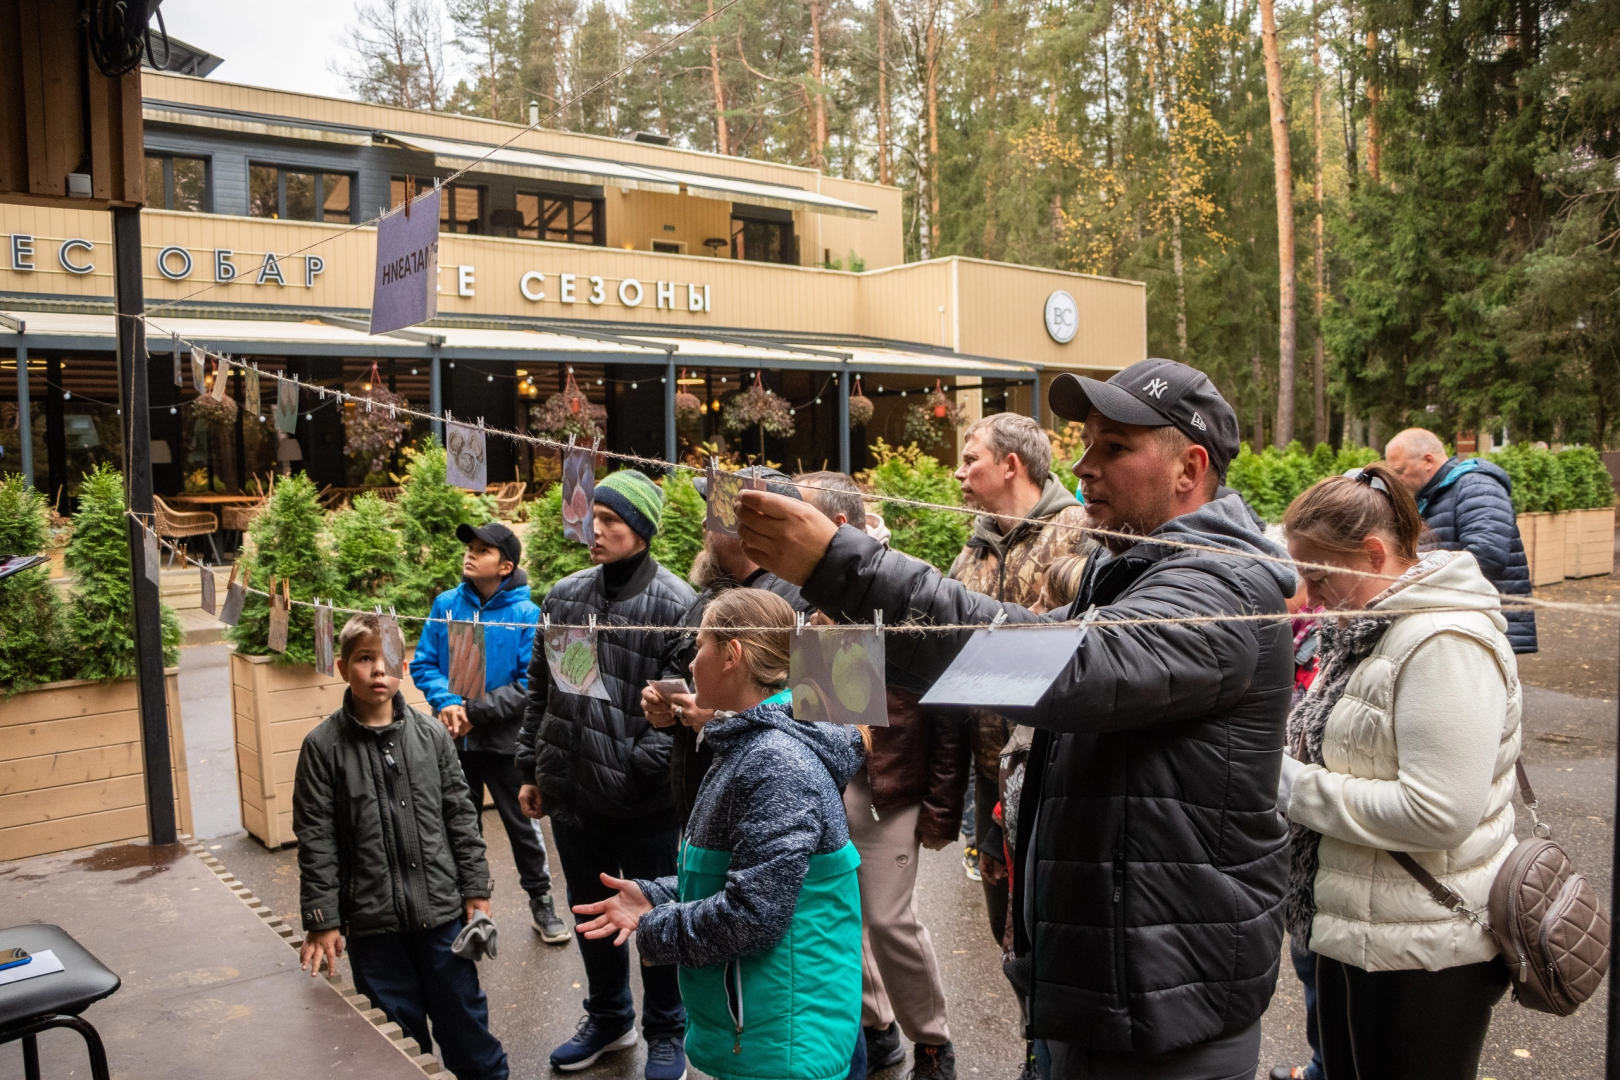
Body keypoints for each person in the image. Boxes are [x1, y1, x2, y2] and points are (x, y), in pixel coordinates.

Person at [735, 357, 1297, 1080]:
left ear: (1189, 468)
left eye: (1114, 447)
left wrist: (844, 565)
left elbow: (1059, 669)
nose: (1084, 465)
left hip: (1164, 1017)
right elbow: (983, 658)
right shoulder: (1126, 574)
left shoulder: (1221, 587)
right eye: (1086, 442)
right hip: (1103, 996)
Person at [1276, 464, 1521, 1079]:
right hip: (1362, 929)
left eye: (1318, 573)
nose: (1307, 592)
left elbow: (1438, 811)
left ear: (1374, 553)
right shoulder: (1371, 628)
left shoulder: (1443, 642)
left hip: (1425, 951)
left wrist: (1286, 785)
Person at [571, 588, 867, 1080]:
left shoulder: (776, 762)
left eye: (700, 645)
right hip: (759, 1029)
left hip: (781, 1044)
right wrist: (656, 893)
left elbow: (754, 914)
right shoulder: (749, 745)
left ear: (733, 655)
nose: (689, 663)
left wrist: (654, 929)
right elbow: (752, 878)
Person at [516, 468, 697, 1080]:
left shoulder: (677, 604)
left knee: (650, 913)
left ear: (641, 532)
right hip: (571, 795)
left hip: (644, 803)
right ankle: (608, 1016)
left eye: (611, 522)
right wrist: (531, 766)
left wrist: (632, 770)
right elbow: (541, 688)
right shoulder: (564, 596)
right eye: (594, 519)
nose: (595, 530)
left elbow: (680, 705)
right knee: (590, 910)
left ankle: (666, 1029)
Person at [798, 469, 968, 1080]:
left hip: (890, 790)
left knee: (889, 919)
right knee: (844, 912)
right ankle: (877, 1027)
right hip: (827, 781)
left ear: (837, 526)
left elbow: (950, 709)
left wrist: (944, 808)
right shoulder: (806, 593)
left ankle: (932, 1041)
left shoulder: (911, 590)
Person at [294, 613, 507, 1080]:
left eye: (388, 660)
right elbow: (316, 838)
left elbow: (460, 816)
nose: (377, 671)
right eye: (365, 659)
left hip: (443, 921)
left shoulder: (431, 736)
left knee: (467, 1030)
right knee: (397, 1042)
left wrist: (475, 889)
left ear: (404, 668)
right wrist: (323, 919)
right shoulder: (322, 747)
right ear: (342, 665)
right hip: (373, 929)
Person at [948, 412, 1089, 943]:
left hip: (1057, 775)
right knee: (1002, 927)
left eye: (970, 460)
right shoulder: (975, 546)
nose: (958, 474)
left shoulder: (1078, 531)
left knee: (1055, 933)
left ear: (1011, 465)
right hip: (990, 771)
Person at [409, 521, 566, 944]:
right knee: (459, 826)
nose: (470, 554)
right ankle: (468, 905)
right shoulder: (445, 604)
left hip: (504, 744)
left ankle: (542, 903)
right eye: (470, 547)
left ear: (505, 565)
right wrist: (446, 702)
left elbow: (528, 684)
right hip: (454, 740)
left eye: (483, 550)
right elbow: (423, 664)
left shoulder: (526, 615)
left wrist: (474, 711)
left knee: (522, 826)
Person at [648, 466, 811, 827]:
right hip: (701, 808)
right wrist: (666, 709)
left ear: (751, 526)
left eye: (713, 511)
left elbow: (836, 724)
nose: (704, 527)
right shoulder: (706, 600)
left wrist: (723, 717)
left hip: (770, 815)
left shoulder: (814, 605)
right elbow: (677, 671)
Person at [1383, 427, 1536, 652]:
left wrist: (1418, 584)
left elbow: (1487, 555)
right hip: (1464, 622)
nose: (1395, 480)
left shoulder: (1476, 486)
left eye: (1400, 471)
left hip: (1485, 622)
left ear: (1427, 461)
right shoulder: (1432, 495)